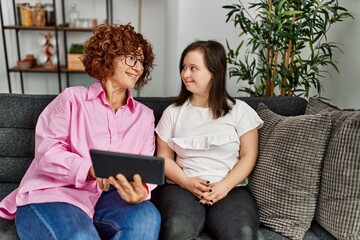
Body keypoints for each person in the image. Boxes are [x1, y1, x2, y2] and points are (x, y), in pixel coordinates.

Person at [0, 23, 161, 240]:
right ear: (108, 56)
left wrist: (142, 189)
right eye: (131, 58)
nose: (138, 67)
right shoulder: (71, 100)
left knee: (147, 219)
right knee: (80, 236)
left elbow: (145, 166)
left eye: (142, 61)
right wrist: (90, 169)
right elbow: (47, 153)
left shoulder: (144, 116)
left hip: (111, 200)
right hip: (55, 193)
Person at [153, 40, 263, 240]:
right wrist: (187, 182)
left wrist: (225, 185)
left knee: (243, 234)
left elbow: (249, 155)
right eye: (184, 67)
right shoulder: (173, 113)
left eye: (193, 68)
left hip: (230, 189)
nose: (185, 74)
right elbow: (164, 157)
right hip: (181, 187)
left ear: (214, 71)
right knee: (177, 231)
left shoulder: (239, 111)